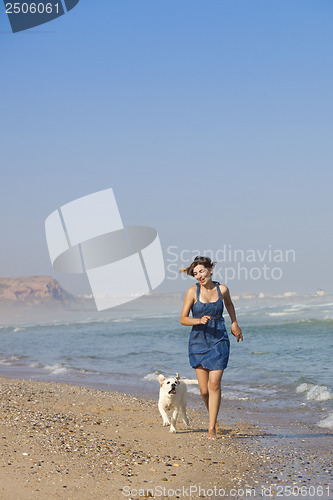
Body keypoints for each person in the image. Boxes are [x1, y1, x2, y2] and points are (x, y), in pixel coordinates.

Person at [180, 256, 243, 439]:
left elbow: (229, 305)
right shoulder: (192, 292)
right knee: (204, 390)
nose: (199, 276)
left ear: (210, 270)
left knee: (214, 384)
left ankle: (211, 430)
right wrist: (198, 320)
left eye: (201, 271)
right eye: (195, 273)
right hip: (198, 341)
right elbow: (183, 318)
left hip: (219, 340)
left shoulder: (222, 289)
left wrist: (234, 324)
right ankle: (213, 418)